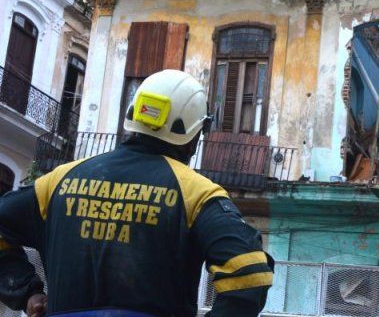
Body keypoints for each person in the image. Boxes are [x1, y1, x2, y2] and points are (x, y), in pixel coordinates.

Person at [0, 70, 274, 317]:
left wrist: (26, 293)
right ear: (192, 135)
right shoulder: (197, 193)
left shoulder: (59, 181)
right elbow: (249, 276)